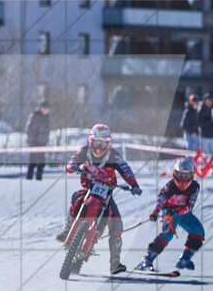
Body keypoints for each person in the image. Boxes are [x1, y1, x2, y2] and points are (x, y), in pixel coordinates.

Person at [56, 123, 142, 275]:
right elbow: (72, 161)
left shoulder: (114, 156)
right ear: (90, 141)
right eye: (96, 142)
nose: (98, 147)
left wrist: (134, 184)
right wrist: (72, 166)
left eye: (102, 144)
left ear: (108, 144)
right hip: (89, 188)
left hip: (106, 193)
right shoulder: (84, 151)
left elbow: (125, 169)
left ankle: (115, 264)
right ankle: (67, 228)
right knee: (76, 198)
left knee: (117, 225)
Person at [137, 158, 204, 272]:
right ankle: (147, 260)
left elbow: (190, 206)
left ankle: (185, 258)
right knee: (167, 235)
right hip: (169, 212)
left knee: (198, 231)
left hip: (184, 213)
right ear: (174, 174)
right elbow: (161, 199)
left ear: (192, 175)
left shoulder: (195, 187)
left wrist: (178, 211)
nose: (183, 180)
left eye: (186, 176)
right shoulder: (170, 185)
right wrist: (155, 212)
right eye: (180, 175)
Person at [25, 100, 51, 181]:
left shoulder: (47, 118)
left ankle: (39, 178)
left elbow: (46, 130)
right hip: (34, 142)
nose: (45, 109)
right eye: (44, 108)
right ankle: (29, 178)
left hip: (42, 142)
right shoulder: (35, 115)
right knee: (33, 160)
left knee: (42, 162)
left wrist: (45, 140)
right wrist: (33, 138)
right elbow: (28, 128)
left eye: (47, 108)